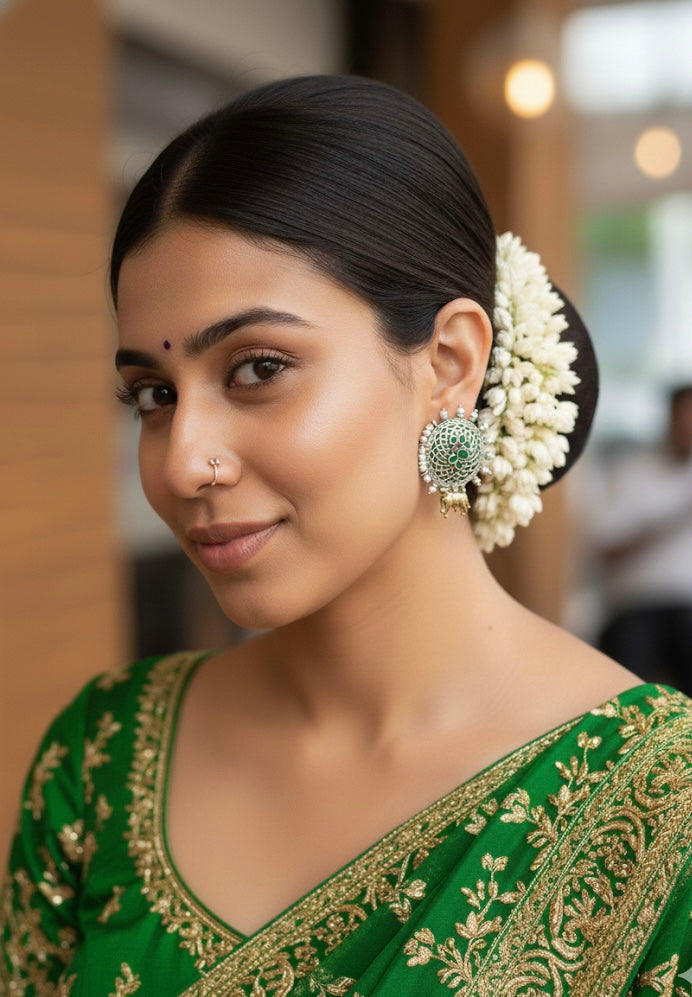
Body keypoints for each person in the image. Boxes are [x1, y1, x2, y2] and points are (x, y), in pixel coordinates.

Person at [1, 76, 690, 997]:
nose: (180, 463)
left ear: (449, 364)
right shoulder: (104, 757)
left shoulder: (665, 812)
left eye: (256, 368)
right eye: (154, 396)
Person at [596, 384, 692, 696]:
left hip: (687, 608)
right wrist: (668, 521)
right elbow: (606, 552)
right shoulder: (632, 472)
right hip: (639, 606)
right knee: (627, 678)